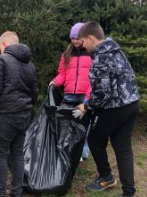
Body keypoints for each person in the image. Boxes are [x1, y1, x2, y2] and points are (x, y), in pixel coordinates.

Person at [76, 21, 140, 197]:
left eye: (82, 41)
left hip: (114, 108)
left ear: (90, 38)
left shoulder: (101, 57)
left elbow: (103, 94)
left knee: (95, 140)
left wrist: (86, 106)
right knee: (123, 147)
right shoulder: (116, 50)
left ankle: (106, 177)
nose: (82, 46)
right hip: (132, 104)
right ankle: (128, 192)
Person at [0, 31, 38, 197]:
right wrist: (26, 106)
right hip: (24, 114)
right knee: (17, 154)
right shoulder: (30, 65)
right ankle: (16, 192)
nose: (0, 51)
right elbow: (34, 92)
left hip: (6, 115)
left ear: (4, 45)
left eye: (0, 48)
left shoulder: (2, 59)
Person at [49, 22, 92, 160]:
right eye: (73, 38)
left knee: (85, 125)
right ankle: (67, 149)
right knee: (66, 123)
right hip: (70, 95)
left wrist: (88, 99)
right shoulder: (66, 54)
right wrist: (55, 82)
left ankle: (82, 151)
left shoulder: (92, 54)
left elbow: (95, 79)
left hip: (85, 96)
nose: (75, 41)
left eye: (78, 38)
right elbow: (62, 73)